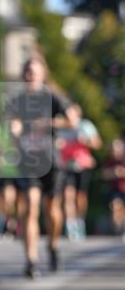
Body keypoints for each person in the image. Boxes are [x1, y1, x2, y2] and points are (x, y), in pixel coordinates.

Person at [8, 54, 70, 278]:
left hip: (52, 160)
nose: (30, 76)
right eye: (27, 72)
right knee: (30, 207)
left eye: (34, 72)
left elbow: (72, 119)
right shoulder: (18, 100)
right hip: (29, 161)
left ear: (43, 74)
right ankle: (31, 259)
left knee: (52, 209)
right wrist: (14, 128)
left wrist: (50, 123)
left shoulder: (52, 97)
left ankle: (52, 246)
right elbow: (12, 121)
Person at [58, 103, 101, 240]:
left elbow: (97, 144)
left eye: (72, 113)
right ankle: (71, 226)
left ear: (78, 114)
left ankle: (80, 220)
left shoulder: (85, 126)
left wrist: (85, 141)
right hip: (66, 166)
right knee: (68, 195)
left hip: (82, 166)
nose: (69, 116)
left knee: (80, 197)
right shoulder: (61, 127)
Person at [102, 138, 125, 237]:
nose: (115, 152)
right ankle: (118, 230)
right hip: (115, 189)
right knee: (115, 207)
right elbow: (104, 174)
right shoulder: (109, 161)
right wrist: (114, 172)